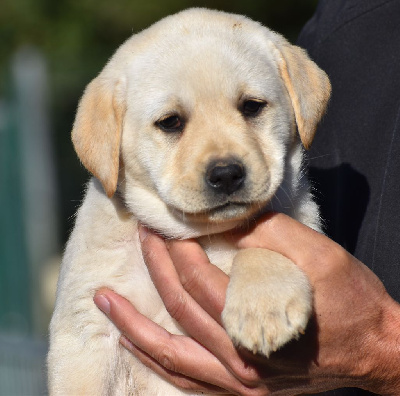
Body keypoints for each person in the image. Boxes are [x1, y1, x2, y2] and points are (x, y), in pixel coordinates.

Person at [93, 0, 400, 394]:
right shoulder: (346, 29)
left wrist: (380, 351)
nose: (224, 165)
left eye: (251, 107)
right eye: (172, 122)